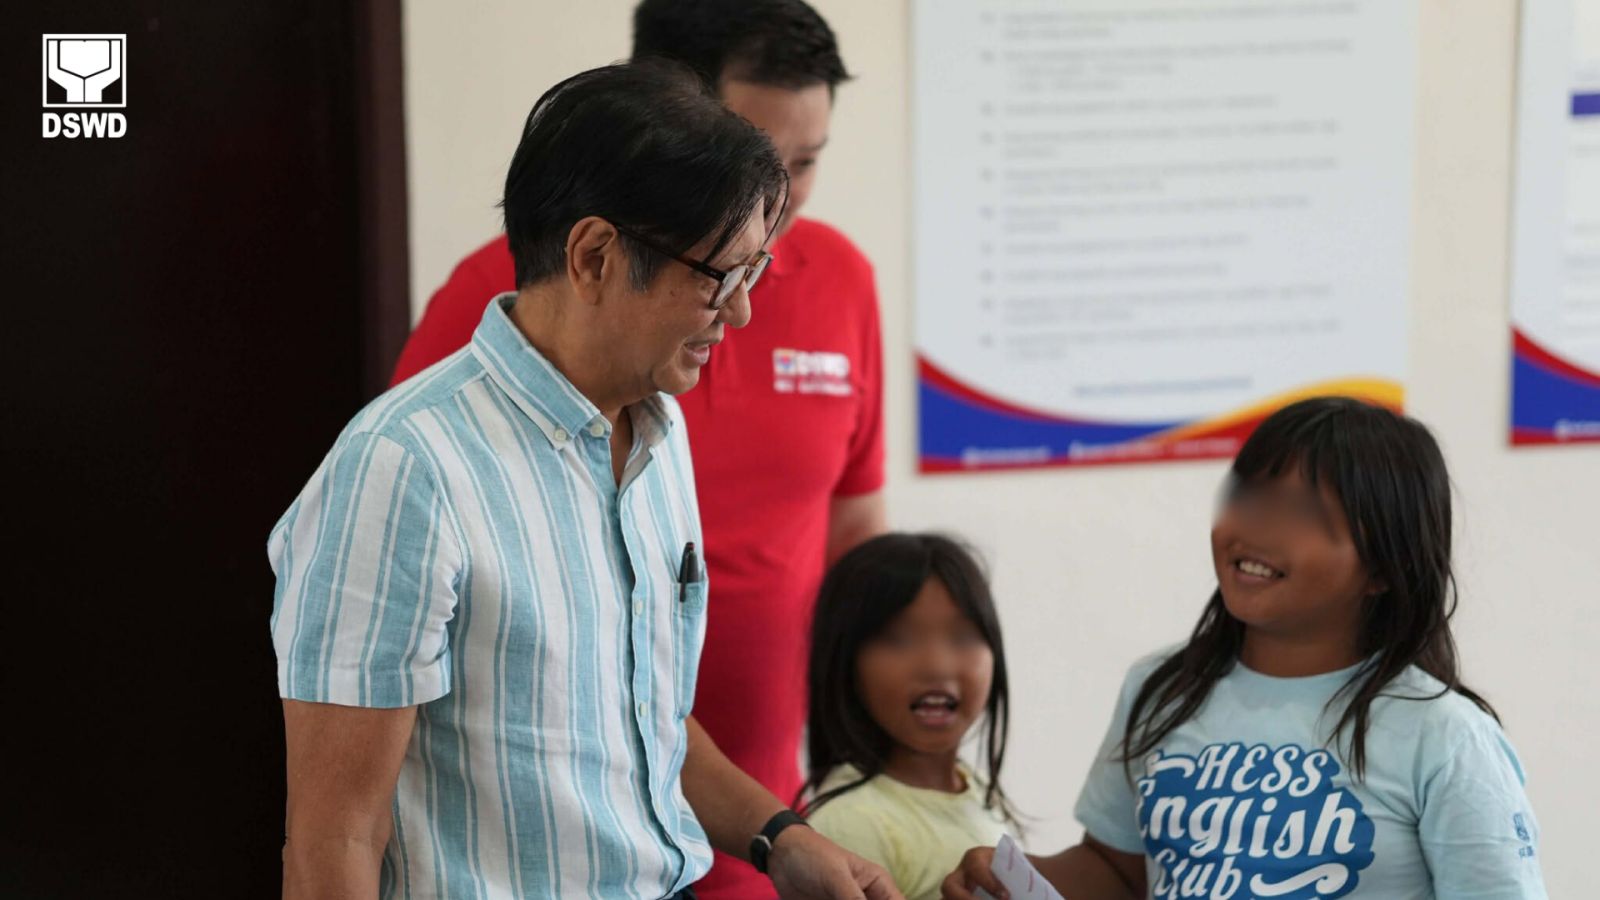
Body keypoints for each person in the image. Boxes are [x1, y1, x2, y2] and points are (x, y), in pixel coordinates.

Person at [269, 62, 900, 900]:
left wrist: (782, 838)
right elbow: (335, 841)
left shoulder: (656, 433)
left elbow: (643, 727)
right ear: (595, 255)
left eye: (754, 271)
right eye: (719, 277)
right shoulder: (404, 469)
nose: (742, 311)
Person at [943, 397, 1549, 900]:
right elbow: (1118, 871)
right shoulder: (1162, 687)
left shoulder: (1445, 737)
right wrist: (1009, 878)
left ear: (1383, 570)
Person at [801, 533, 1018, 900]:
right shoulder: (851, 823)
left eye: (963, 636)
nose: (936, 665)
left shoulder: (975, 788)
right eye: (898, 639)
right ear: (845, 661)